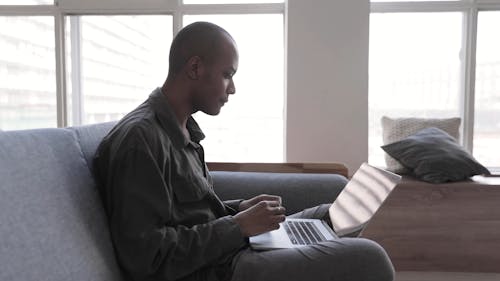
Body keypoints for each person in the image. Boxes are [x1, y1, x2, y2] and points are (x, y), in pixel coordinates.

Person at [93, 21, 395, 281]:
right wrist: (238, 227)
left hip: (227, 250)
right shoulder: (140, 141)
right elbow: (147, 257)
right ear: (195, 68)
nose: (232, 88)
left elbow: (191, 213)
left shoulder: (183, 130)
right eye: (227, 74)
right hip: (217, 269)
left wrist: (238, 209)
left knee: (330, 215)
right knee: (370, 258)